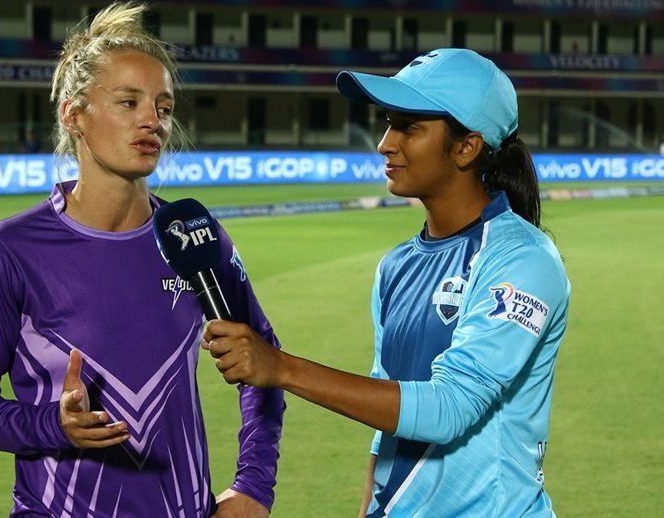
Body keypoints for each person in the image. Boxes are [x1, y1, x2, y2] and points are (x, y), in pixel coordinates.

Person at [0, 1, 284, 517]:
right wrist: (51, 426)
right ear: (73, 115)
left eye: (164, 107)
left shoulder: (192, 235)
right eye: (128, 102)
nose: (153, 121)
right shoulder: (13, 249)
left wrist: (255, 484)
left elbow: (265, 360)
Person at [202, 49, 570, 517]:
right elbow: (389, 425)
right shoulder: (395, 266)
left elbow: (450, 408)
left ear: (467, 146)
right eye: (389, 123)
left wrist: (280, 368)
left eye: (409, 127)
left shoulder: (522, 258)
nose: (384, 143)